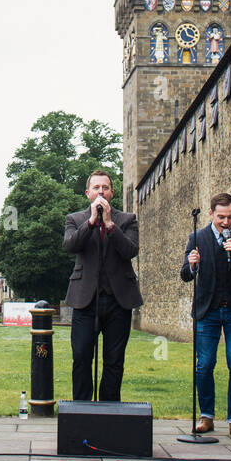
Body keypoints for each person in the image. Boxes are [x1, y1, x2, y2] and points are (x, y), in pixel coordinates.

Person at [181, 191, 231, 439]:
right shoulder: (197, 237)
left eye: (230, 217)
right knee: (204, 365)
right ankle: (206, 416)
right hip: (208, 309)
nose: (226, 222)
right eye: (220, 217)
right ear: (211, 214)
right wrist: (192, 265)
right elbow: (185, 274)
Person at [63, 170, 142, 402]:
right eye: (96, 188)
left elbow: (131, 250)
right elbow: (69, 245)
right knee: (81, 356)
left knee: (114, 359)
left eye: (105, 188)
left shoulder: (127, 220)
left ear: (112, 193)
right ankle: (81, 409)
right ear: (88, 193)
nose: (101, 192)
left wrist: (109, 224)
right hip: (85, 298)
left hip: (119, 299)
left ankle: (109, 410)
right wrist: (90, 223)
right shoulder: (75, 220)